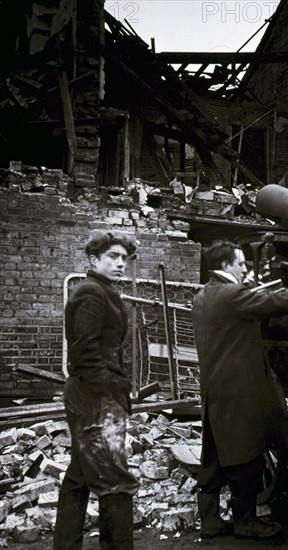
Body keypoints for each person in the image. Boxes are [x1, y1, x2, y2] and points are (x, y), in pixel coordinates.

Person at [191, 240, 288, 539]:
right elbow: (272, 305)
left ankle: (209, 522)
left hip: (214, 388)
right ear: (225, 266)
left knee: (212, 456)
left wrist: (250, 287)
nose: (244, 268)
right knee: (246, 456)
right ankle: (245, 522)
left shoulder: (203, 295)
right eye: (240, 264)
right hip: (239, 389)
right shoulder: (232, 294)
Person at [54, 230, 140, 550]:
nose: (120, 264)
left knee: (79, 477)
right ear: (94, 260)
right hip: (95, 397)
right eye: (112, 257)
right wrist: (111, 389)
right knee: (115, 479)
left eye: (124, 259)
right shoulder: (91, 293)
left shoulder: (102, 290)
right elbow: (84, 353)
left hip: (92, 393)